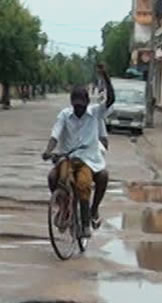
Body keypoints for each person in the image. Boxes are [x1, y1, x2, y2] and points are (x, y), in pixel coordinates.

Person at [42, 64, 115, 238]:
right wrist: (48, 150)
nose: (79, 109)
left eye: (82, 105)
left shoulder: (96, 113)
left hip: (88, 160)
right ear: (71, 103)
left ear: (87, 103)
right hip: (67, 158)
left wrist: (106, 77)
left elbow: (111, 99)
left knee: (83, 184)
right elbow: (55, 135)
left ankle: (85, 223)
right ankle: (62, 206)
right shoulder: (64, 115)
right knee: (53, 177)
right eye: (76, 105)